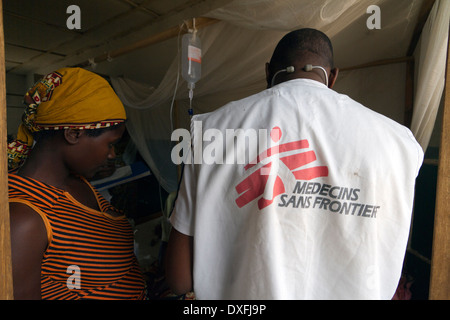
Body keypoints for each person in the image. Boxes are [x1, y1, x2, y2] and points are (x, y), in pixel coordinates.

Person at [165, 28, 424, 299]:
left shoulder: (211, 132)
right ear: (333, 77)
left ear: (268, 72)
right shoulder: (399, 143)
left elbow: (179, 279)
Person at [8, 67, 147, 300]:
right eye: (110, 143)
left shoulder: (75, 181)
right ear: (73, 134)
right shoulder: (23, 219)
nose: (112, 154)